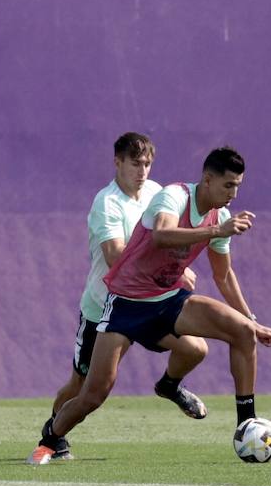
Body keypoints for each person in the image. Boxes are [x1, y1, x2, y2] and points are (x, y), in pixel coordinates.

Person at [29, 147, 271, 465]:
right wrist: (216, 231)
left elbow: (223, 276)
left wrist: (252, 320)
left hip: (168, 301)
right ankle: (49, 439)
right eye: (228, 185)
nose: (233, 194)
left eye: (238, 186)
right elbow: (162, 235)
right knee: (94, 393)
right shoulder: (175, 195)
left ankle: (247, 423)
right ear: (208, 180)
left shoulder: (221, 217)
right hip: (126, 305)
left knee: (241, 332)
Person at [47, 132, 210, 445]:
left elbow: (171, 239)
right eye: (135, 164)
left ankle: (170, 386)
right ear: (117, 162)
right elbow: (114, 257)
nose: (143, 171)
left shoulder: (156, 192)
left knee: (195, 348)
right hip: (106, 310)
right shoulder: (106, 203)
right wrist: (172, 273)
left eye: (147, 164)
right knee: (83, 387)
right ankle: (53, 435)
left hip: (149, 303)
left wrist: (179, 267)